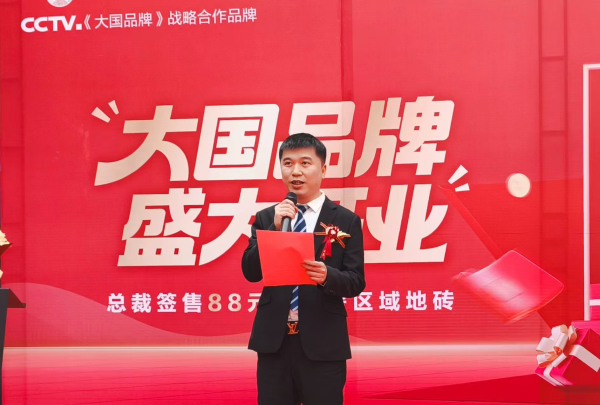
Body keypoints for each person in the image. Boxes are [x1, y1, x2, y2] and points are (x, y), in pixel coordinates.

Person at [241, 133, 366, 405]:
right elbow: (250, 272)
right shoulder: (268, 217)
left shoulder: (346, 220)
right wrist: (274, 229)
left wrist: (327, 276)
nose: (295, 171)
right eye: (288, 163)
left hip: (323, 343)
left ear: (323, 169)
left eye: (305, 163)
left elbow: (356, 280)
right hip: (274, 343)